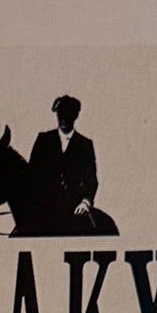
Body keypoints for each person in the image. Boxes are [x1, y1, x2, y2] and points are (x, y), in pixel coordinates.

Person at [27, 94, 100, 231]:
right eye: (60, 114)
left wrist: (86, 202)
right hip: (44, 208)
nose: (63, 119)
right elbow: (31, 175)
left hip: (74, 210)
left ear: (75, 116)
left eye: (68, 114)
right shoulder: (43, 140)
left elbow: (91, 179)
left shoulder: (85, 144)